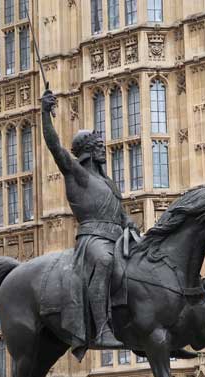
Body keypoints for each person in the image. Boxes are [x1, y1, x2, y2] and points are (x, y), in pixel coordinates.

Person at [41, 88, 138, 350]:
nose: (103, 150)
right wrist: (44, 113)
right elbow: (54, 146)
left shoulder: (106, 182)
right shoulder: (77, 174)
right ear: (88, 151)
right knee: (105, 262)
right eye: (98, 147)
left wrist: (128, 222)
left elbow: (118, 213)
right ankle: (103, 329)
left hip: (117, 236)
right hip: (93, 239)